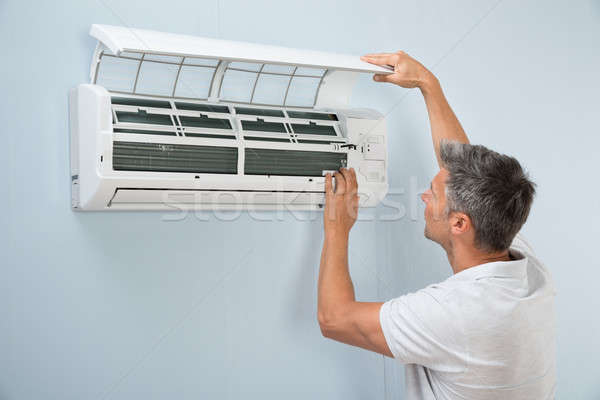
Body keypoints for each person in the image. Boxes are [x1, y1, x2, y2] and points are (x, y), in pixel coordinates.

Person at [317, 51, 556, 399]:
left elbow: (334, 319)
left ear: (460, 223)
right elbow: (461, 167)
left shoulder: (454, 314)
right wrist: (428, 85)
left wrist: (338, 228)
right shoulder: (524, 266)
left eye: (433, 194)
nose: (423, 198)